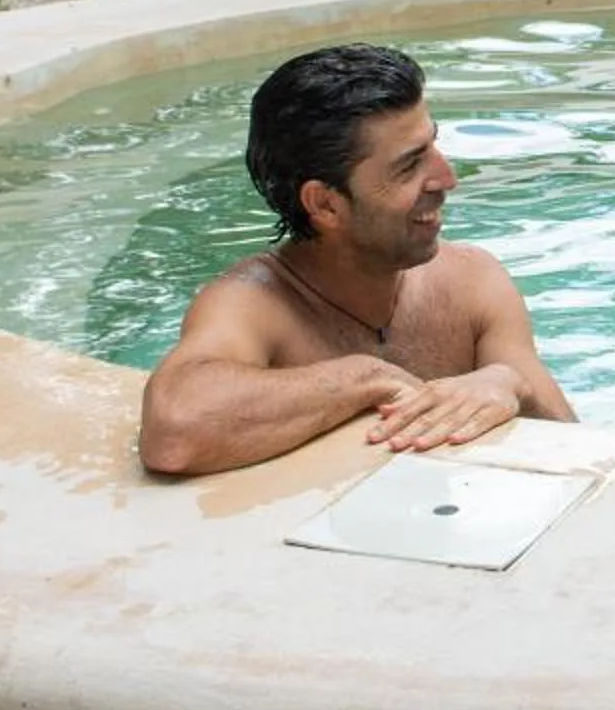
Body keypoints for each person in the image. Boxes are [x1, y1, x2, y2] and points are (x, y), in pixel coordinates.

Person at [140, 44, 575, 476]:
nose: (446, 179)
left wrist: (510, 383)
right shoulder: (252, 305)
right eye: (409, 166)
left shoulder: (472, 281)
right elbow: (175, 431)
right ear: (326, 204)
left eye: (433, 146)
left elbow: (579, 450)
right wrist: (364, 377)